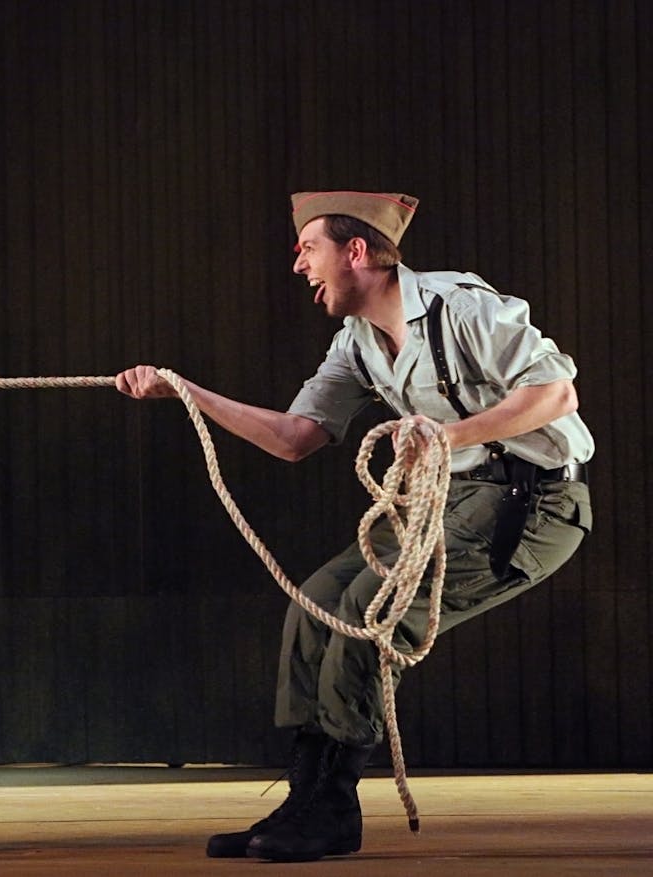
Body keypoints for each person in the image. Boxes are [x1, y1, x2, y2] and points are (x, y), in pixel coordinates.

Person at [116, 190, 592, 863]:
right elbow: (293, 436)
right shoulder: (358, 342)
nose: (297, 265)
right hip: (445, 503)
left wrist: (445, 435)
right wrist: (185, 392)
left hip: (534, 501)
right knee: (316, 605)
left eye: (308, 248)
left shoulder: (461, 305)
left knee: (368, 609)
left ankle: (334, 807)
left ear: (357, 251)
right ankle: (308, 794)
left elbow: (555, 393)